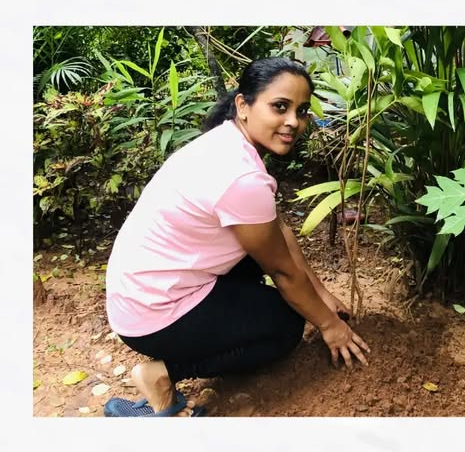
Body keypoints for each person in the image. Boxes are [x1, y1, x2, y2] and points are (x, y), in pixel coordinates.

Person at [103, 57, 369, 418]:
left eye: (302, 110)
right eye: (280, 107)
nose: (294, 121)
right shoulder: (241, 178)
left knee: (274, 274)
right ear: (243, 105)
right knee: (286, 326)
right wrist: (329, 325)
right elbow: (283, 271)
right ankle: (163, 373)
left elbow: (278, 232)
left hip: (141, 292)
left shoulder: (224, 143)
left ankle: (203, 335)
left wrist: (320, 293)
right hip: (153, 314)